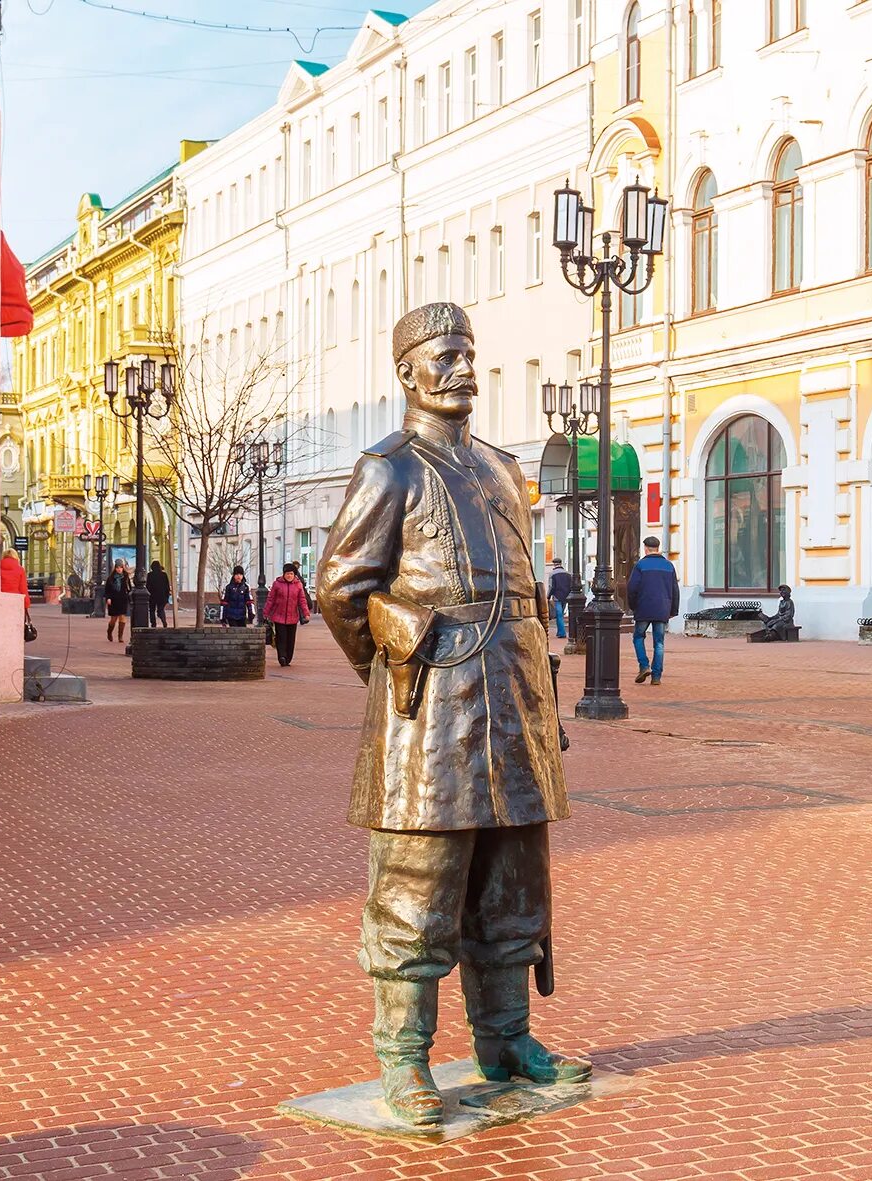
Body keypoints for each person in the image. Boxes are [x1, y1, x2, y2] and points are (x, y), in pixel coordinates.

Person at [316, 301, 587, 1131]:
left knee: (513, 882)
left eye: (469, 352)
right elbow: (341, 589)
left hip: (512, 698)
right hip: (432, 710)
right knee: (418, 887)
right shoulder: (388, 469)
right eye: (445, 355)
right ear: (407, 372)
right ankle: (405, 1057)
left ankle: (506, 1040)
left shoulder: (504, 469)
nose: (464, 367)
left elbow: (529, 591)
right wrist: (398, 672)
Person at [626, 535, 679, 686]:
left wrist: (633, 606)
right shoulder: (669, 566)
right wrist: (672, 610)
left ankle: (644, 665)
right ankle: (656, 676)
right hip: (662, 608)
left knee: (638, 637)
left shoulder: (640, 565)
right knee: (659, 643)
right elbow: (675, 590)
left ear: (645, 548)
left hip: (643, 607)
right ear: (658, 548)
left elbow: (632, 588)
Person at [264, 562, 311, 666]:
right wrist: (266, 613)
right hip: (279, 616)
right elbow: (270, 599)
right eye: (287, 574)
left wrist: (306, 613)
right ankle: (282, 657)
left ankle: (288, 658)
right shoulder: (277, 584)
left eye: (291, 574)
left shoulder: (298, 585)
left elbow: (302, 600)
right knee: (281, 638)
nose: (289, 576)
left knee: (290, 640)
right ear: (284, 574)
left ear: (294, 575)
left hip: (292, 617)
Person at [0, 551, 31, 637]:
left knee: (2, 625)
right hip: (16, 602)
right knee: (15, 628)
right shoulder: (20, 569)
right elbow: (23, 588)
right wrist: (26, 604)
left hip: (1, 601)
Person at [104, 562, 132, 643]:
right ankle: (109, 631)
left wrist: (130, 596)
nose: (119, 569)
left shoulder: (126, 577)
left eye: (120, 568)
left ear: (123, 568)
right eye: (117, 568)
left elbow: (129, 588)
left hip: (123, 599)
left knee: (122, 618)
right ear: (115, 568)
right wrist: (108, 598)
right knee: (113, 619)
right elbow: (107, 590)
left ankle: (120, 636)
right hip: (113, 600)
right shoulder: (111, 578)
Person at [547, 559, 571, 639]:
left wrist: (548, 596)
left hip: (557, 596)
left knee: (559, 615)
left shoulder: (552, 574)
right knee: (561, 614)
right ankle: (560, 631)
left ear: (554, 564)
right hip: (566, 596)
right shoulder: (568, 574)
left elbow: (551, 587)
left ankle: (561, 632)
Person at [146, 560, 172, 628]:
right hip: (162, 596)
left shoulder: (150, 575)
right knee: (161, 610)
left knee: (152, 610)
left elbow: (147, 586)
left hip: (152, 596)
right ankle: (164, 622)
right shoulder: (164, 575)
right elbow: (167, 586)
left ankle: (153, 624)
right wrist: (167, 595)